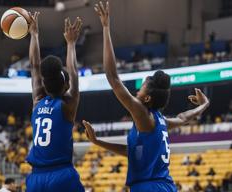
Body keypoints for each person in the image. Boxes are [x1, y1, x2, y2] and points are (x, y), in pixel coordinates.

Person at [83, 2, 210, 192]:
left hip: (149, 187)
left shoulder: (142, 113)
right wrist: (205, 103)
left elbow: (113, 77)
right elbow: (185, 117)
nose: (137, 91)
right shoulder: (160, 120)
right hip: (166, 186)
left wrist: (106, 27)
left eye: (141, 88)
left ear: (148, 98)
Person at [25, 12, 84, 192]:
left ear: (44, 83)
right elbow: (73, 71)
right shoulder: (68, 105)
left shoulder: (37, 100)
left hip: (35, 179)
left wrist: (34, 34)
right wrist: (71, 44)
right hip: (61, 175)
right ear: (66, 85)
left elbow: (35, 66)